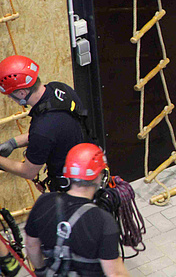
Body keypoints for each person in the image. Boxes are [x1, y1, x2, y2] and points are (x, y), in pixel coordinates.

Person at [25, 143, 129, 276]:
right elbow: (115, 274)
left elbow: (31, 245)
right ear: (99, 176)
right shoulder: (103, 221)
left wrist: (41, 270)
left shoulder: (43, 202)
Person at [0, 55, 86, 192]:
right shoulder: (59, 89)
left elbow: (28, 171)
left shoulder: (43, 128)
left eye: (10, 95)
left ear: (22, 93)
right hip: (89, 172)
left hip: (71, 193)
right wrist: (13, 143)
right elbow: (54, 133)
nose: (11, 98)